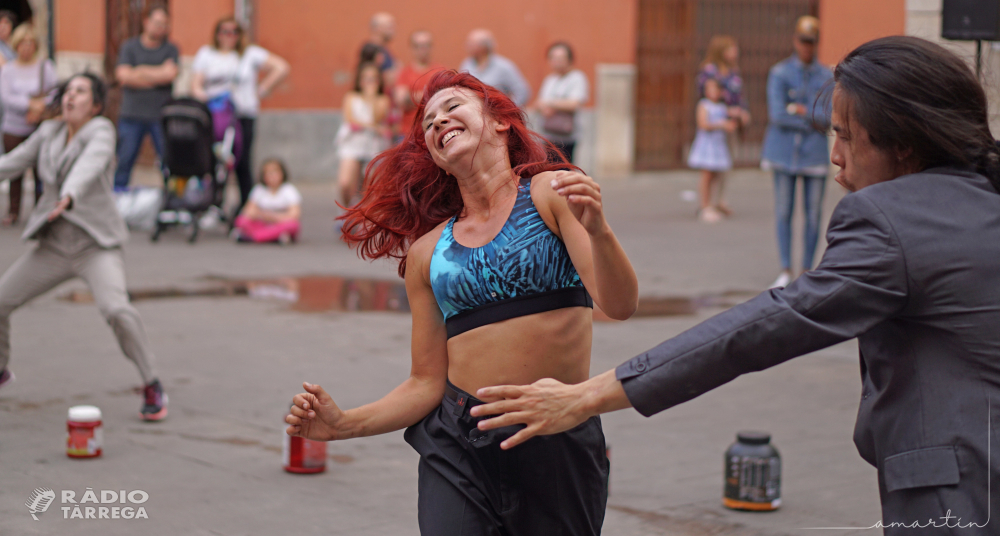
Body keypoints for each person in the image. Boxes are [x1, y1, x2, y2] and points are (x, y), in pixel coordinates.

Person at [471, 36, 1000, 534]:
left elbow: (769, 325)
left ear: (902, 143)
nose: (835, 155)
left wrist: (589, 394)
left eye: (843, 133)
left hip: (961, 480)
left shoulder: (890, 217)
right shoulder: (979, 201)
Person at [285, 70, 638, 535]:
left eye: (452, 107)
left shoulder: (551, 192)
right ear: (436, 158)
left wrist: (599, 230)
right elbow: (425, 382)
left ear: (500, 123)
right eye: (429, 122)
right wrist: (344, 424)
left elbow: (618, 304)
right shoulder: (427, 253)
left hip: (556, 436)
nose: (438, 122)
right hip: (458, 444)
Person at [0, 73, 167, 421]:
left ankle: (151, 382)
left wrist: (69, 194)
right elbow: (12, 163)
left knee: (117, 310)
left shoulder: (101, 130)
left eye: (80, 91)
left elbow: (90, 165)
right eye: (68, 91)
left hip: (95, 246)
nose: (70, 97)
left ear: (95, 105)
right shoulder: (48, 133)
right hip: (54, 246)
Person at [191, 17, 290, 219]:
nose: (229, 36)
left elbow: (281, 67)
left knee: (242, 162)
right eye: (224, 31)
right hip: (217, 117)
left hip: (242, 116)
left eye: (233, 32)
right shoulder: (206, 54)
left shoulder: (249, 54)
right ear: (216, 33)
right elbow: (196, 84)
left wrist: (261, 90)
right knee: (213, 160)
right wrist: (207, 98)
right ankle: (213, 203)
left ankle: (245, 207)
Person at [761, 16, 833, 289]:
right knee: (783, 212)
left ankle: (806, 269)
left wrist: (799, 109)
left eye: (812, 42)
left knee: (813, 214)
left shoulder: (826, 76)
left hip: (813, 155)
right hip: (782, 153)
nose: (807, 47)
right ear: (795, 41)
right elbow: (778, 115)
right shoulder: (779, 73)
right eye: (803, 41)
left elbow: (827, 118)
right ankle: (785, 268)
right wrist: (808, 114)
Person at [112, 3, 179, 191]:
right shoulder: (130, 47)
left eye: (164, 24)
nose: (160, 28)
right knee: (125, 160)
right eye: (157, 23)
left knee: (168, 161)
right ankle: (117, 198)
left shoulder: (171, 49)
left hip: (161, 116)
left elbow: (170, 75)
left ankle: (172, 199)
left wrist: (139, 73)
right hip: (131, 114)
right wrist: (157, 75)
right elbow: (123, 77)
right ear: (146, 22)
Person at [0, 23, 56, 226]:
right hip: (13, 127)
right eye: (22, 43)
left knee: (41, 170)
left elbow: (54, 92)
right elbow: (6, 97)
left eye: (30, 43)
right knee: (14, 169)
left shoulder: (45, 67)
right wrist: (29, 105)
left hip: (38, 127)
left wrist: (39, 108)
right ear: (16, 45)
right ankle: (13, 211)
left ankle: (40, 211)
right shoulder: (8, 70)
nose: (26, 47)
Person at [696, 35, 750, 218]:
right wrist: (728, 111)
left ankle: (719, 200)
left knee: (725, 165)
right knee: (709, 169)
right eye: (731, 48)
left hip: (730, 125)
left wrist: (742, 112)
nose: (735, 52)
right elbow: (706, 98)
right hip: (715, 126)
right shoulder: (710, 71)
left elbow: (740, 95)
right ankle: (706, 204)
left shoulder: (733, 71)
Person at [335, 62, 390, 208]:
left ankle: (361, 215)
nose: (369, 82)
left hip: (372, 145)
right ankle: (346, 210)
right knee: (345, 183)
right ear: (360, 80)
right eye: (366, 78)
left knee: (368, 185)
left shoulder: (382, 100)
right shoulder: (351, 97)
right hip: (352, 144)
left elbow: (378, 118)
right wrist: (374, 127)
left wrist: (371, 99)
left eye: (373, 78)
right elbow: (350, 119)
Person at [688, 78, 736, 223]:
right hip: (707, 146)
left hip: (718, 145)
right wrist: (721, 125)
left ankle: (712, 203)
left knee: (716, 176)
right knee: (706, 175)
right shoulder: (704, 105)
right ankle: (704, 206)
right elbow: (703, 124)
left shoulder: (721, 107)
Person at [534, 41, 588, 163]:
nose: (556, 61)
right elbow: (539, 102)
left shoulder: (577, 78)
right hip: (548, 135)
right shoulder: (550, 79)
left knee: (564, 171)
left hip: (567, 136)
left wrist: (550, 104)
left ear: (569, 59)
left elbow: (574, 103)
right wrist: (543, 107)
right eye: (553, 58)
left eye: (560, 58)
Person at [232, 158, 300, 244]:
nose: (271, 176)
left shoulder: (288, 190)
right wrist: (263, 216)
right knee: (241, 221)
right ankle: (273, 237)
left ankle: (254, 237)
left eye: (275, 172)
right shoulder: (259, 190)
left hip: (279, 223)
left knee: (292, 225)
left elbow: (294, 215)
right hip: (262, 223)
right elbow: (247, 211)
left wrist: (273, 217)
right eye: (268, 173)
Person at [460, 29, 531, 107]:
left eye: (471, 44)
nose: (467, 46)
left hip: (496, 114)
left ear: (484, 47)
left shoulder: (503, 66)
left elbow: (522, 91)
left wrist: (509, 110)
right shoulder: (466, 64)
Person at [393, 30, 444, 133]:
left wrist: (413, 96)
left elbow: (445, 99)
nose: (423, 49)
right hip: (409, 132)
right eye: (418, 45)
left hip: (436, 131)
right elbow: (401, 100)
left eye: (426, 45)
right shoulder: (404, 73)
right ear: (412, 48)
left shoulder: (441, 72)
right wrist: (432, 94)